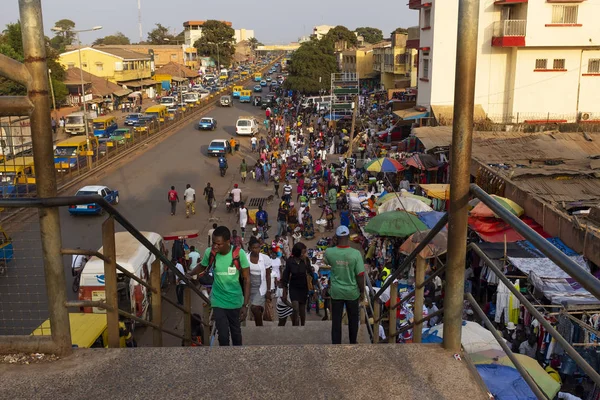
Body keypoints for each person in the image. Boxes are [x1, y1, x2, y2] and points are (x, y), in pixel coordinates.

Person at [188, 226, 250, 346]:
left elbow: (247, 279)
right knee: (223, 336)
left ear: (228, 242)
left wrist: (245, 305)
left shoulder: (239, 254)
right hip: (218, 300)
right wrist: (190, 274)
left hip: (235, 301)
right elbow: (203, 265)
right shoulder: (210, 252)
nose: (215, 246)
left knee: (236, 333)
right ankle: (224, 360)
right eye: (213, 243)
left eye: (219, 244)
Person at [324, 225, 365, 344]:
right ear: (348, 237)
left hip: (336, 291)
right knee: (353, 319)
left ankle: (336, 343)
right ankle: (353, 341)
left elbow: (327, 261)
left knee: (336, 320)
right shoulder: (356, 254)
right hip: (352, 292)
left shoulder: (329, 252)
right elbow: (360, 275)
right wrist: (362, 291)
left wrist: (332, 243)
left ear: (336, 237)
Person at [281, 242, 311, 326]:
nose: (304, 254)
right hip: (293, 287)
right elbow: (286, 276)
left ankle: (303, 326)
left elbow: (311, 274)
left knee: (302, 309)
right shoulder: (290, 261)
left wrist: (314, 290)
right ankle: (296, 326)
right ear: (297, 252)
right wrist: (284, 290)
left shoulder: (306, 260)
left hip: (303, 287)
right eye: (303, 252)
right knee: (295, 308)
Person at [246, 237, 272, 326]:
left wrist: (269, 290)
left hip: (261, 287)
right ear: (250, 248)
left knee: (254, 308)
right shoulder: (246, 258)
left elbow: (268, 275)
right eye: (254, 248)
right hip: (249, 287)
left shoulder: (265, 258)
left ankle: (259, 327)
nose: (256, 250)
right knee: (255, 309)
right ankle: (259, 318)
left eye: (258, 247)